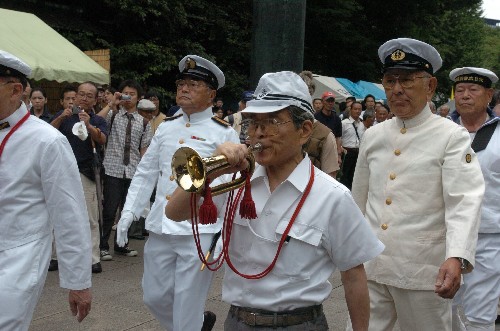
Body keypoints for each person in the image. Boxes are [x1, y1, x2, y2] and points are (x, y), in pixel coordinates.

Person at [166, 71, 385, 330]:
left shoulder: (332, 196)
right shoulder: (236, 183)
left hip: (300, 324)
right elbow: (175, 212)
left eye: (271, 122)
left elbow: (353, 274)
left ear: (304, 130)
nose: (258, 134)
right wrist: (213, 168)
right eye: (253, 124)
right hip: (238, 322)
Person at [350, 38, 485, 330]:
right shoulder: (373, 136)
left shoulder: (451, 137)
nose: (397, 89)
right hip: (371, 267)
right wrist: (347, 250)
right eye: (390, 81)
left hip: (423, 270)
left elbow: (464, 200)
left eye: (408, 80)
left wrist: (456, 256)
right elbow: (358, 199)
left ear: (431, 86)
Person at [115, 55, 238, 331]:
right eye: (182, 83)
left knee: (186, 302)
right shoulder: (166, 128)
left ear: (212, 94)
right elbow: (146, 173)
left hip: (199, 230)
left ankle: (191, 325)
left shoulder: (224, 134)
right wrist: (129, 212)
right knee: (154, 297)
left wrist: (224, 235)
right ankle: (197, 326)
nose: (184, 88)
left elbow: (231, 187)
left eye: (194, 84)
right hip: (161, 226)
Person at [0, 50, 92, 330]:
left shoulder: (47, 141)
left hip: (18, 254)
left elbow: (69, 213)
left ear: (15, 89)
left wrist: (78, 281)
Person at [448, 67, 500, 331]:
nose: (465, 96)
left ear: (489, 95)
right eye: (460, 90)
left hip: (488, 238)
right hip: (444, 236)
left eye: (473, 90)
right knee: (441, 308)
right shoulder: (441, 132)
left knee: (481, 315)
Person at [50, 81, 108, 274]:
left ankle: (93, 259)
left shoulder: (97, 120)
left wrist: (88, 125)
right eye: (80, 94)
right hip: (63, 171)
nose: (83, 98)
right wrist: (61, 118)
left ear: (95, 99)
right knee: (59, 214)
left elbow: (102, 139)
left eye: (88, 95)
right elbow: (47, 133)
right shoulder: (64, 115)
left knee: (90, 217)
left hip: (87, 171)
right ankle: (55, 256)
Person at [97, 79, 153, 260]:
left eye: (132, 94)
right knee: (109, 209)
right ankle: (103, 245)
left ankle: (122, 244)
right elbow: (95, 121)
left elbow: (144, 150)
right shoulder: (112, 115)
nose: (128, 97)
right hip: (112, 168)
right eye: (125, 93)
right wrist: (113, 103)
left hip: (133, 171)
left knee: (128, 209)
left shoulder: (144, 123)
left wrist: (147, 172)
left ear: (139, 98)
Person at [340, 101, 365, 189]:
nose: (357, 111)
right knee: (345, 175)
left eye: (359, 109)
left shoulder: (362, 124)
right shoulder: (344, 123)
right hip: (347, 153)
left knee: (355, 176)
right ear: (351, 110)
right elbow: (339, 138)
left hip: (358, 153)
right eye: (355, 109)